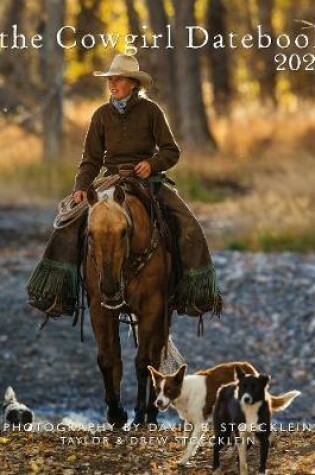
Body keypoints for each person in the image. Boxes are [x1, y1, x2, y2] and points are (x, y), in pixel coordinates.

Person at [27, 54, 221, 319]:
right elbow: (90, 160)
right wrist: (81, 187)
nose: (112, 84)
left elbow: (170, 151)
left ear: (132, 83)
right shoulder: (101, 115)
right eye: (110, 80)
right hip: (111, 179)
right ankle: (57, 293)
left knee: (188, 223)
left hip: (147, 181)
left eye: (117, 79)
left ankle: (194, 294)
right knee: (69, 223)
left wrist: (151, 165)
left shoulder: (151, 111)